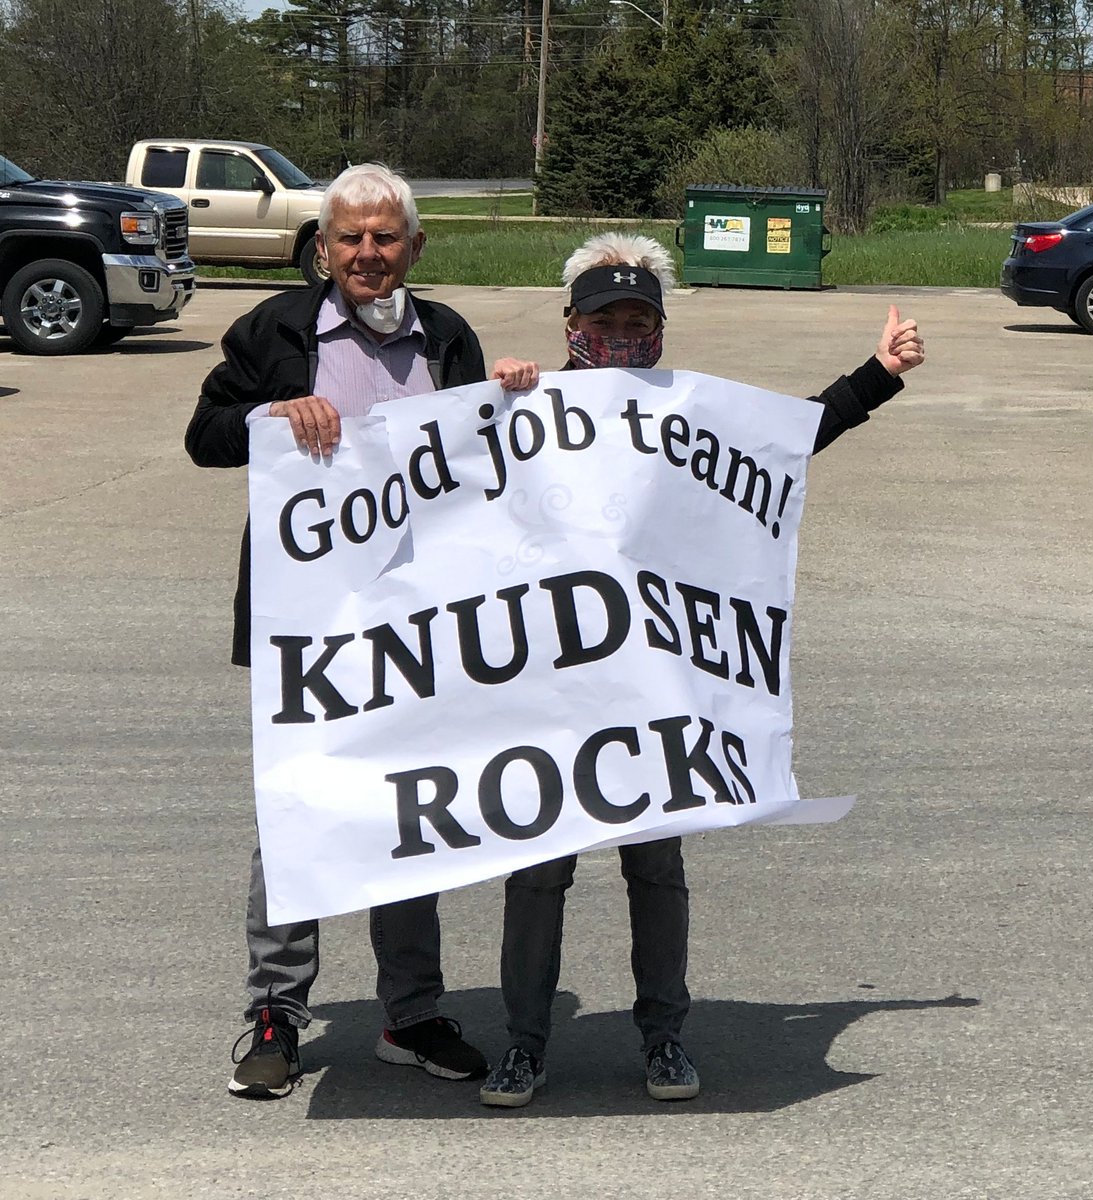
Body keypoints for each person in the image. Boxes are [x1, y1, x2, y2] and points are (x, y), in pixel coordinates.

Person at [478, 232, 925, 1108]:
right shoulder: (524, 406)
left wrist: (878, 373)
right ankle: (523, 1044)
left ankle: (664, 1037)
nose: (621, 336)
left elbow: (786, 441)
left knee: (655, 866)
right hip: (549, 685)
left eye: (637, 321)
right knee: (537, 873)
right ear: (570, 325)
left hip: (651, 683)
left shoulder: (685, 413)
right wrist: (493, 395)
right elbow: (441, 481)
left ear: (659, 330)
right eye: (604, 321)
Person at [184, 163, 537, 1100]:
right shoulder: (275, 330)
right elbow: (204, 434)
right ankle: (275, 1013)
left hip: (421, 625)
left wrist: (511, 397)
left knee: (410, 812)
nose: (367, 254)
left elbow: (485, 468)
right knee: (296, 811)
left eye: (385, 238)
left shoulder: (448, 336)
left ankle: (410, 1014)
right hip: (307, 627)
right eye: (351, 237)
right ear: (324, 247)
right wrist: (268, 414)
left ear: (415, 246)